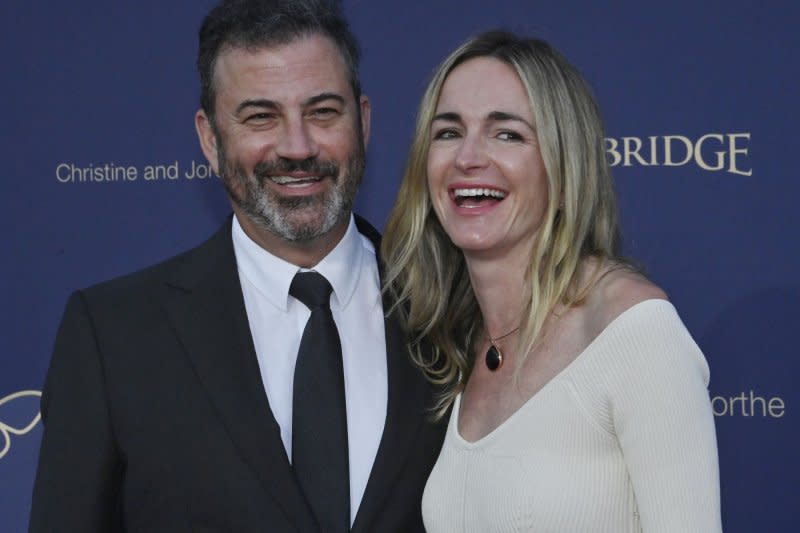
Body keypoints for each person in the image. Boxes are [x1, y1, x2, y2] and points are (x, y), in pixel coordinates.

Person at [29, 1, 444, 531]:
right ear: (209, 138)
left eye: (322, 112)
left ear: (362, 121)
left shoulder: (449, 309)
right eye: (260, 117)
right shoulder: (113, 335)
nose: (297, 147)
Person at [382, 30, 722, 532]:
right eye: (449, 132)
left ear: (564, 169)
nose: (468, 158)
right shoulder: (456, 349)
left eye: (508, 134)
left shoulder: (636, 333)